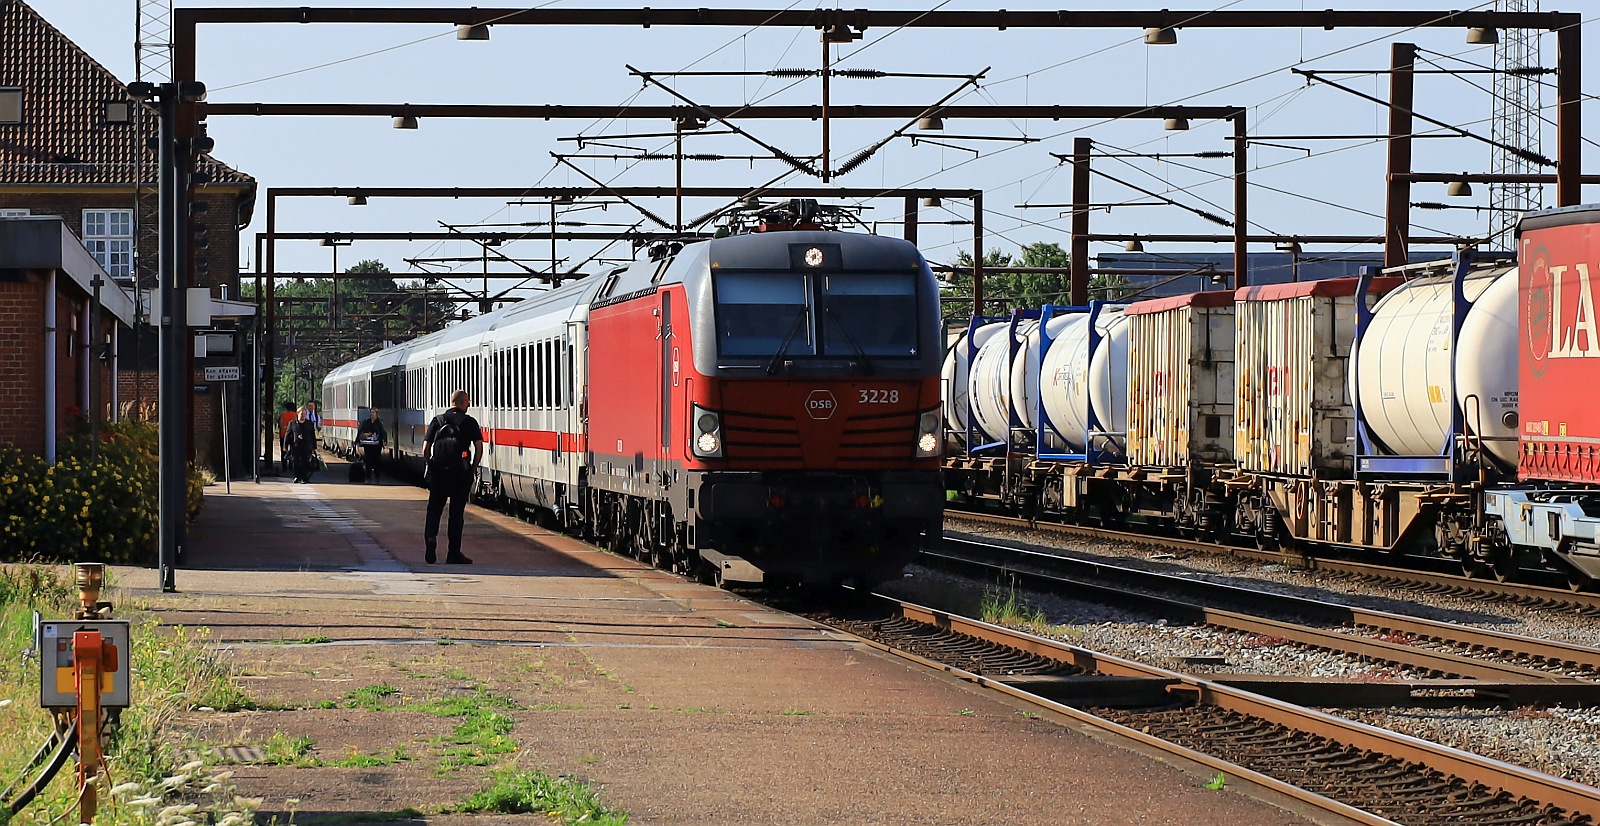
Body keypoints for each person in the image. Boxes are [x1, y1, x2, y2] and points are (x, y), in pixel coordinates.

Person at [421, 389, 484, 565]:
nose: (469, 404)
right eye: (468, 401)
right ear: (463, 402)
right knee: (456, 514)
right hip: (460, 474)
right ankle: (453, 553)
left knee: (434, 510)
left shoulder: (438, 420)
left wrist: (430, 465)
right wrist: (472, 468)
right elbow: (479, 448)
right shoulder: (469, 422)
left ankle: (431, 539)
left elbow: (425, 448)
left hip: (439, 473)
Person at [287, 406, 319, 483]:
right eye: (301, 414)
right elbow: (288, 434)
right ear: (297, 414)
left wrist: (314, 447)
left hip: (307, 446)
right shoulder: (292, 423)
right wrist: (285, 445)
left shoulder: (309, 423)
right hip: (296, 446)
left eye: (304, 414)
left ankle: (304, 478)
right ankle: (296, 476)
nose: (303, 415)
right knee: (296, 462)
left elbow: (312, 436)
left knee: (305, 462)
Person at [355, 408, 388, 484]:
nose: (372, 414)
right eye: (371, 413)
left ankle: (377, 477)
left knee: (377, 462)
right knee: (368, 462)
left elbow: (383, 433)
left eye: (373, 413)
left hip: (377, 445)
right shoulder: (366, 422)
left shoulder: (379, 423)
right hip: (368, 445)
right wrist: (358, 441)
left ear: (376, 414)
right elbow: (361, 431)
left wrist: (384, 441)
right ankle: (368, 478)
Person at [276, 401, 298, 475]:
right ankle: (291, 465)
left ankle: (284, 467)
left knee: (283, 451)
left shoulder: (282, 415)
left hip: (283, 435)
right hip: (292, 436)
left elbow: (279, 424)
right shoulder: (296, 415)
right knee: (293, 451)